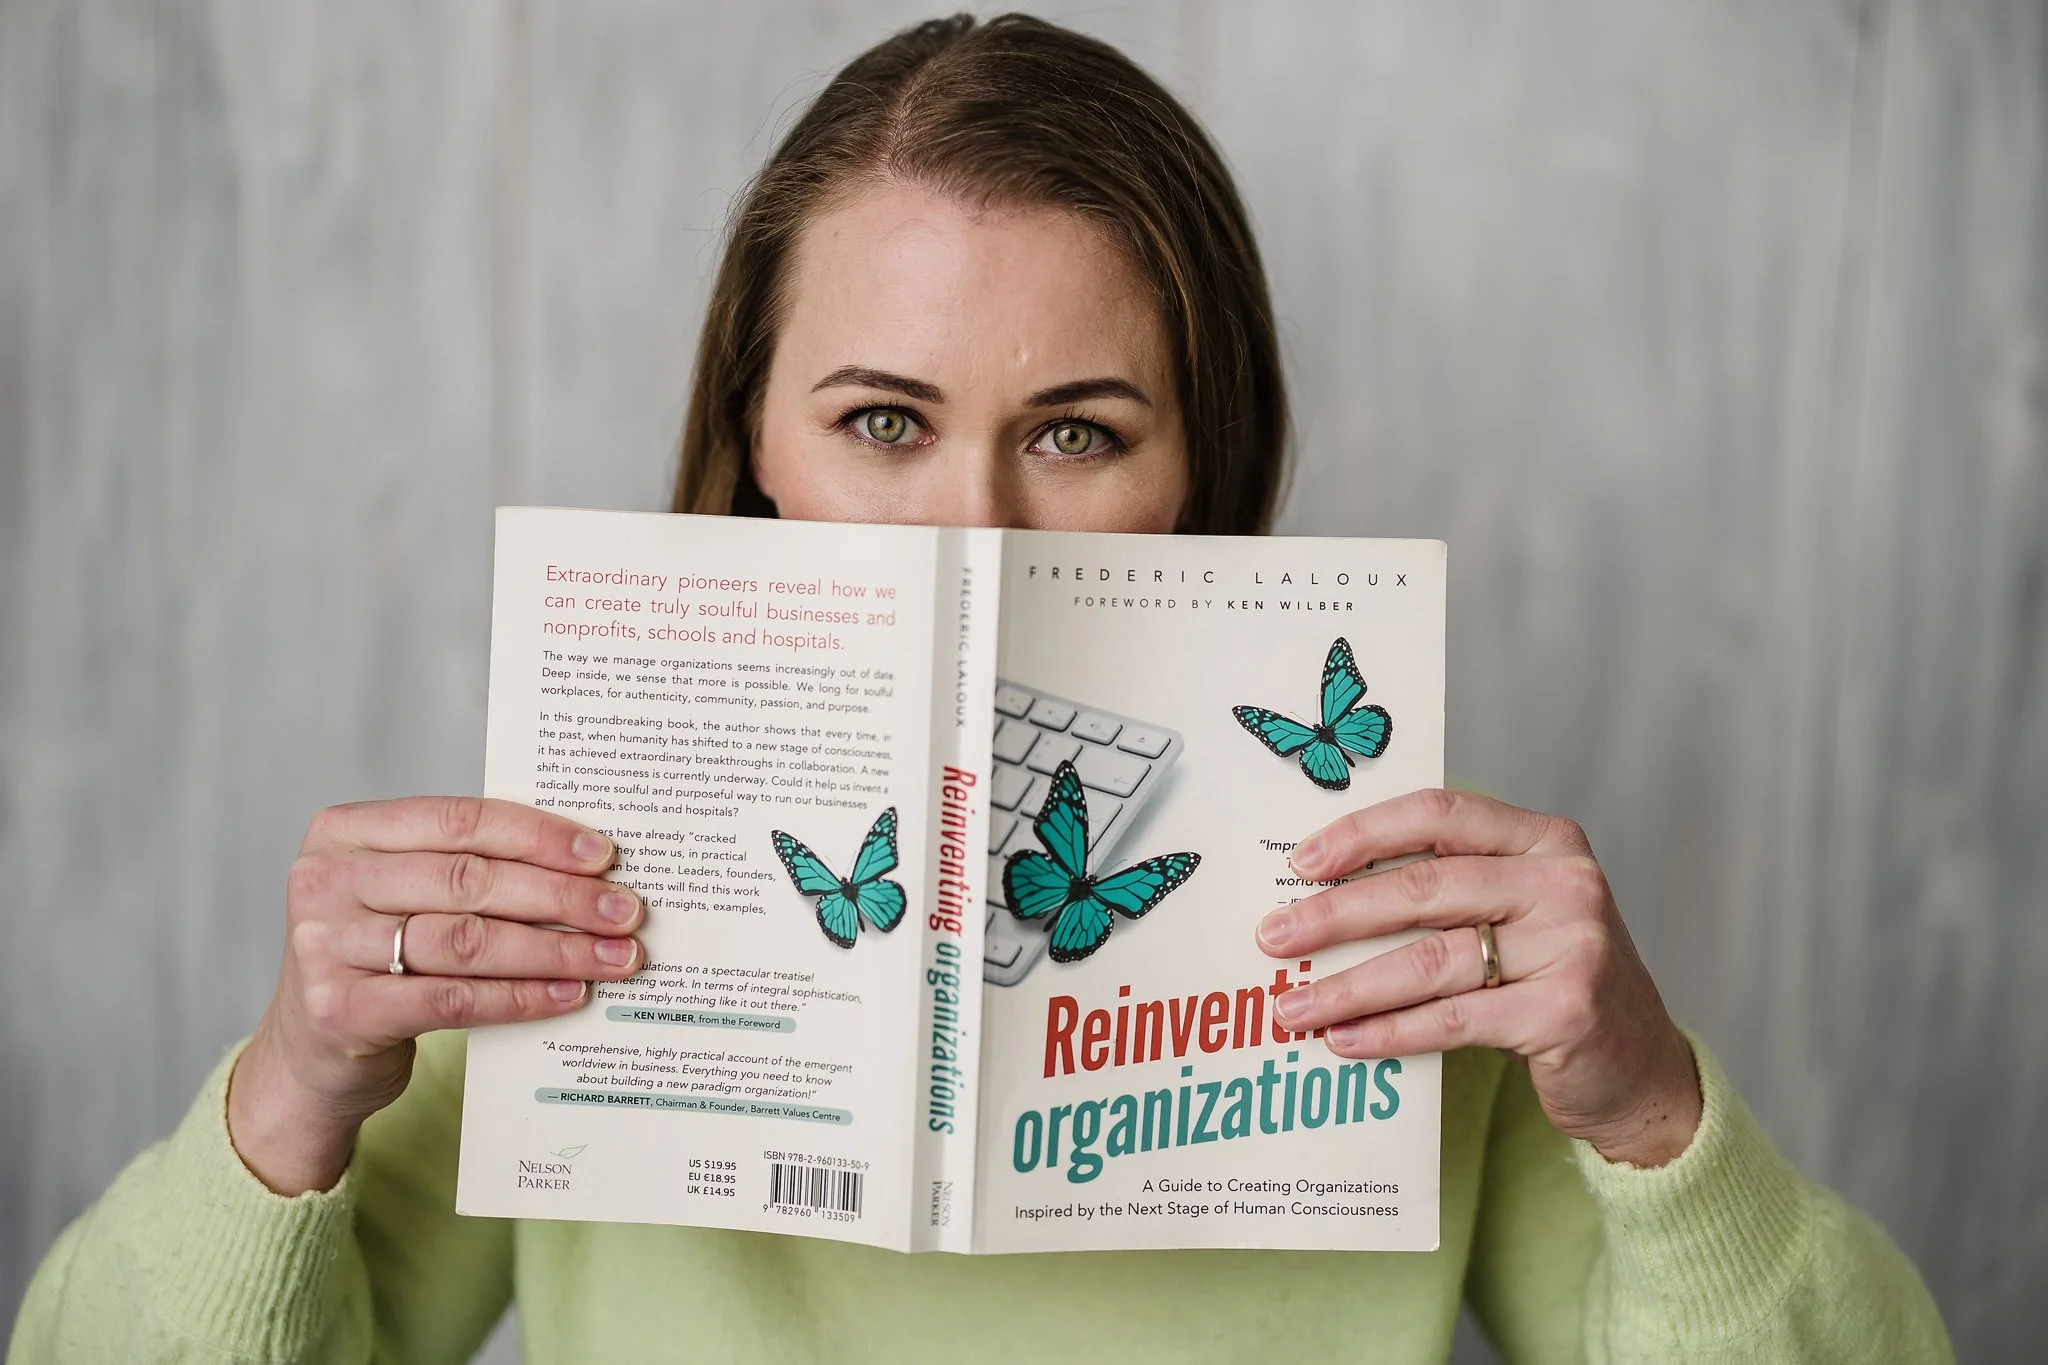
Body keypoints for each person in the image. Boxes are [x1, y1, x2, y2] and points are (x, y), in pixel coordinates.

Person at [10, 14, 1951, 1364]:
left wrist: (1647, 1110)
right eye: (883, 419)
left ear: (1201, 466)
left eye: (1079, 432)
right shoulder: (574, 900)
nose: (975, 533)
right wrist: (291, 1093)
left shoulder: (1402, 925)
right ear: (753, 443)